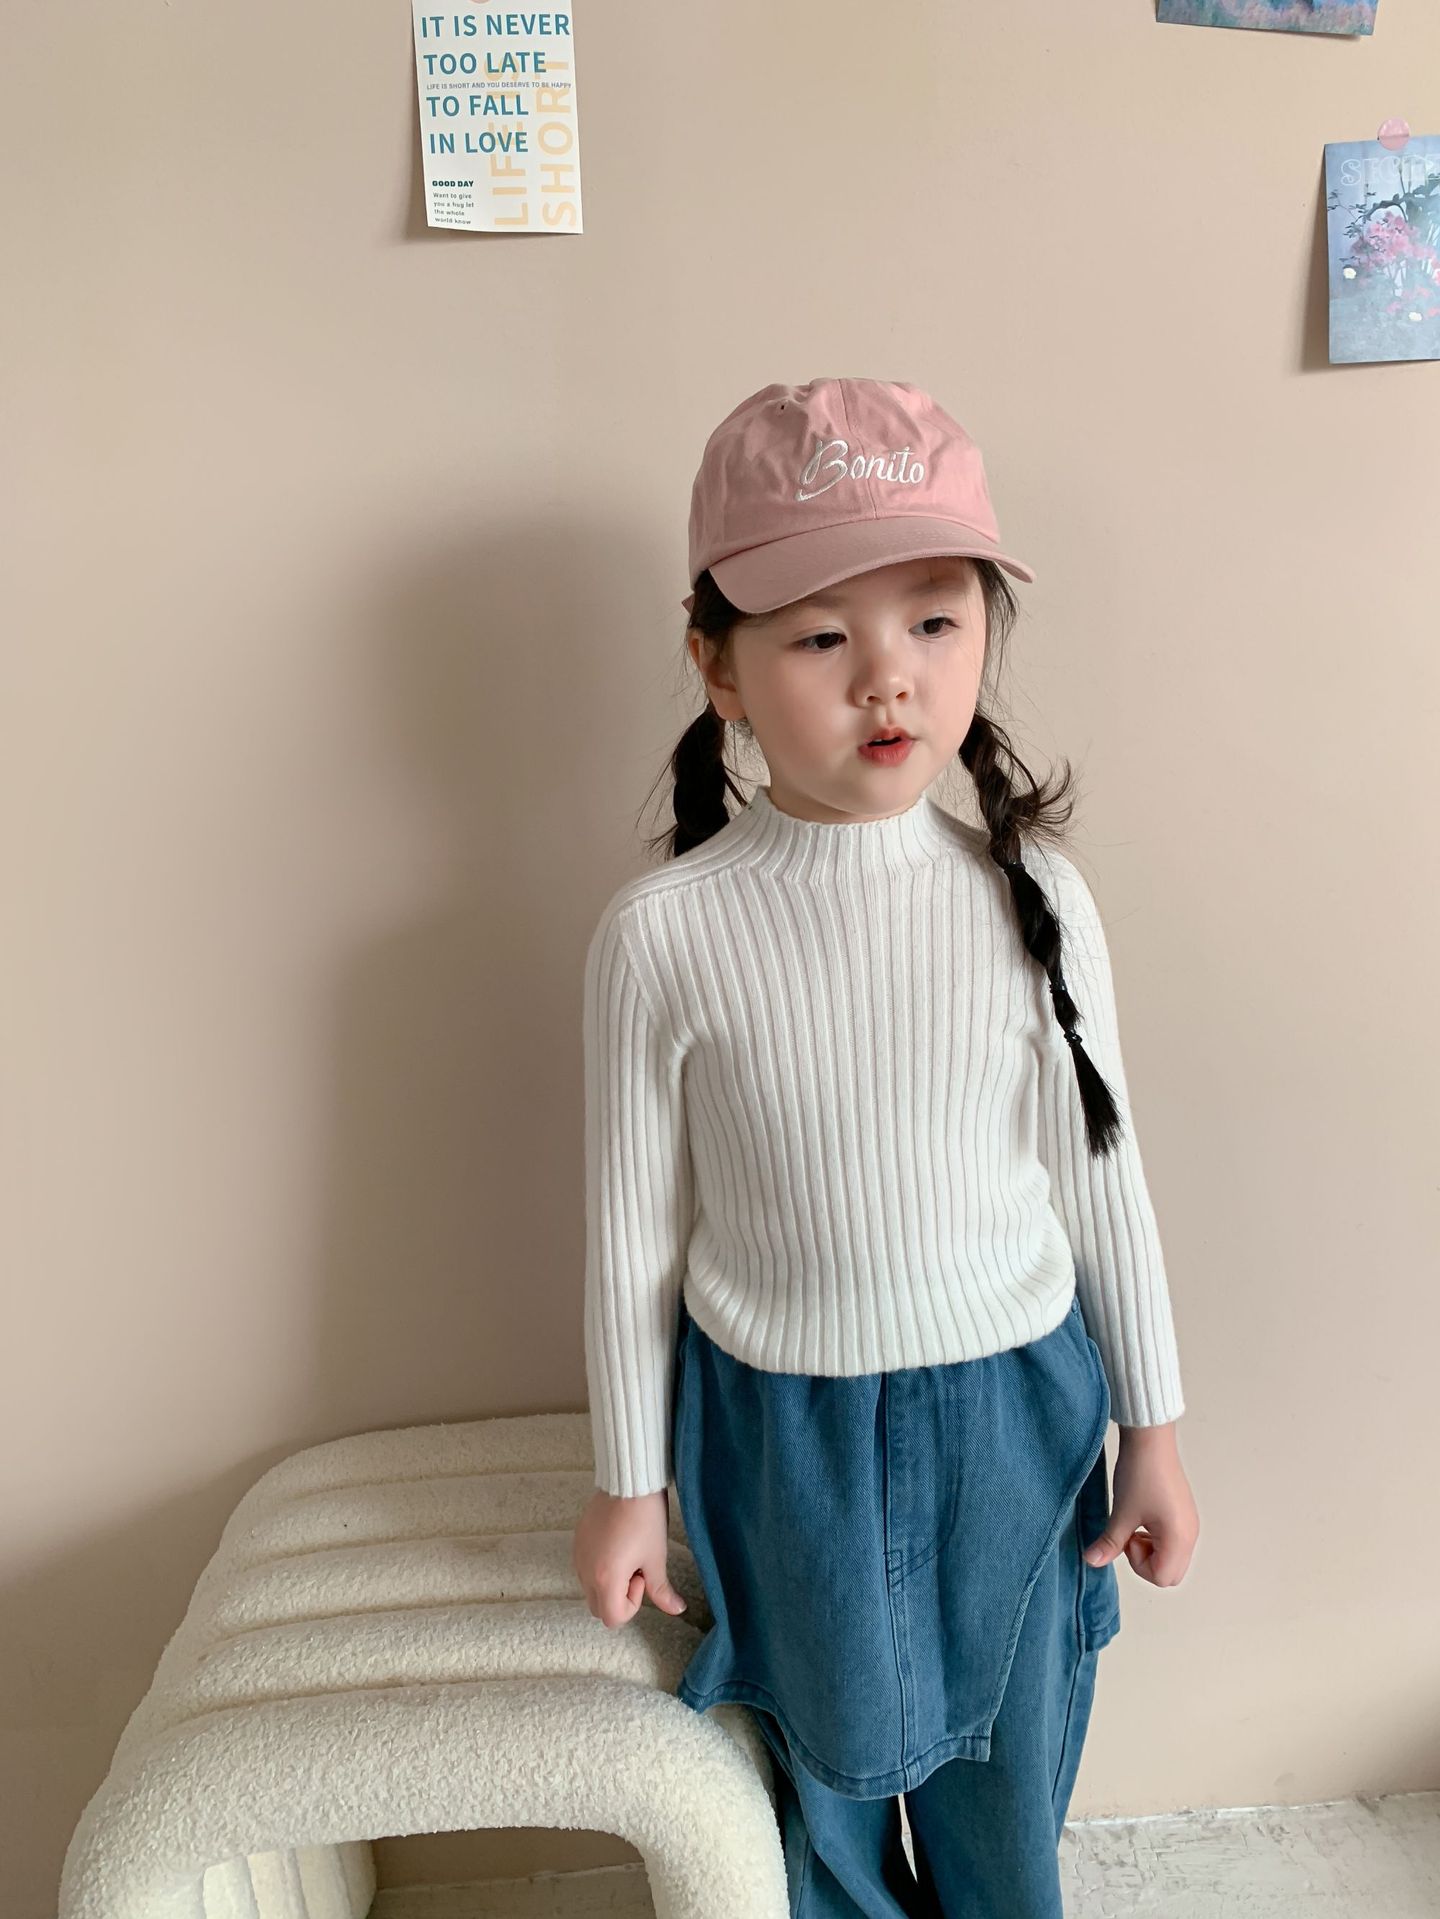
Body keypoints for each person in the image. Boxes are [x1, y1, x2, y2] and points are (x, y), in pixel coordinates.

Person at [571, 376, 1200, 1918]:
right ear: (718, 664)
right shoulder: (662, 935)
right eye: (819, 637)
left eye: (934, 620)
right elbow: (629, 1233)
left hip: (1017, 1415)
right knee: (818, 1793)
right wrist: (628, 1483)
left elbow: (1102, 1176)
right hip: (775, 1432)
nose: (888, 679)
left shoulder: (1033, 899)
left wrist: (1155, 1430)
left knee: (1006, 1778)